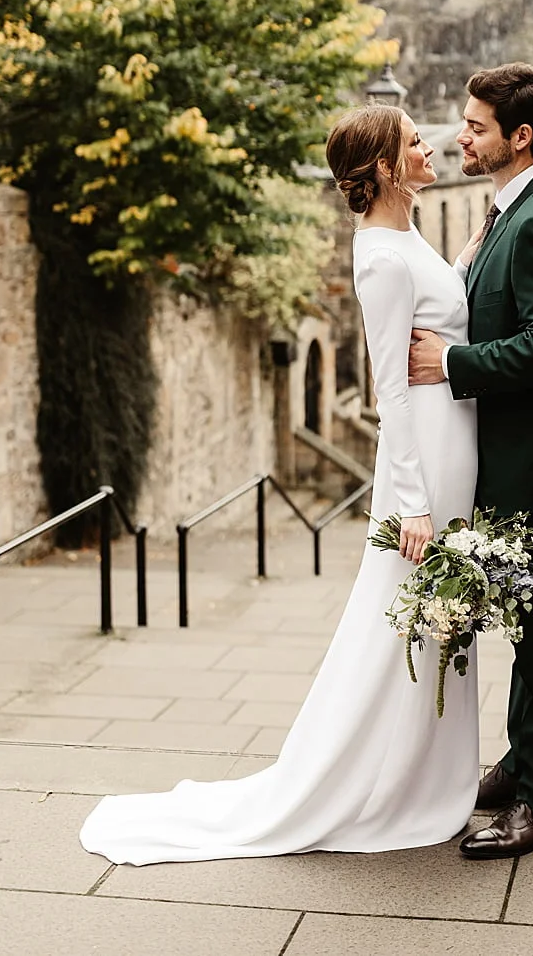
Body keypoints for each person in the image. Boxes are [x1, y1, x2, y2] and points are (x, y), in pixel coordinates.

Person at [81, 105, 481, 864]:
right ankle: (380, 785)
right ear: (390, 169)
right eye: (414, 141)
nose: (429, 146)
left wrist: (467, 257)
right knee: (403, 620)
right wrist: (414, 502)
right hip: (422, 459)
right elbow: (388, 389)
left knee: (438, 617)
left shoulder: (405, 235)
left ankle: (430, 774)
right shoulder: (379, 257)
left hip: (451, 443)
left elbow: (439, 305)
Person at [405, 62, 533, 860]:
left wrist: (452, 365)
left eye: (475, 126)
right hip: (522, 459)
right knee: (529, 620)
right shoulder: (511, 213)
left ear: (519, 137)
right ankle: (527, 758)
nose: (459, 135)